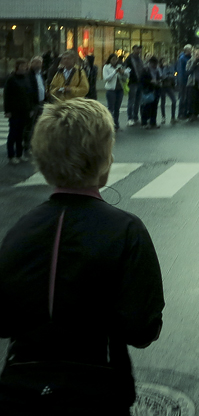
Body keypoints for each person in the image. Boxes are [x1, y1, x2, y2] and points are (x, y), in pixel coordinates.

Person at [0, 98, 164, 415]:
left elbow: (3, 320)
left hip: (19, 391)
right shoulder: (126, 230)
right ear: (105, 161)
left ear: (43, 161)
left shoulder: (20, 230)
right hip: (97, 391)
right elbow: (143, 329)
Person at [4, 59, 35, 165]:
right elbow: (7, 96)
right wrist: (7, 111)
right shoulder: (11, 79)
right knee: (13, 133)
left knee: (21, 134)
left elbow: (30, 94)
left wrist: (30, 109)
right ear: (17, 67)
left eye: (25, 66)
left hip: (25, 110)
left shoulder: (26, 78)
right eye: (21, 66)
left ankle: (19, 154)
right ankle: (11, 155)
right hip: (14, 110)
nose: (24, 68)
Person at [103, 53, 128, 130]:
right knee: (111, 108)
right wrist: (115, 72)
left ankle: (116, 124)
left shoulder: (119, 66)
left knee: (117, 108)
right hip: (111, 90)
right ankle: (109, 124)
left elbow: (126, 76)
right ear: (110, 60)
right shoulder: (106, 67)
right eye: (113, 59)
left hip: (119, 89)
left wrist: (123, 72)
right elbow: (106, 78)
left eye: (116, 59)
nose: (114, 61)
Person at [139, 56, 161, 129]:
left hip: (156, 89)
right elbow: (142, 80)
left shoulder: (157, 70)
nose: (155, 66)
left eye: (156, 64)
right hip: (148, 90)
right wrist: (150, 82)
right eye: (153, 64)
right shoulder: (145, 70)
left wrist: (158, 82)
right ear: (150, 63)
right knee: (146, 107)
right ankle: (144, 122)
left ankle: (153, 122)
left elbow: (160, 77)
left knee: (154, 107)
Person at [125, 45, 143, 126]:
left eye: (139, 49)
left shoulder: (139, 59)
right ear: (133, 49)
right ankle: (130, 118)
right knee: (131, 100)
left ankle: (135, 116)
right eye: (137, 49)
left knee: (137, 100)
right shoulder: (129, 59)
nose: (138, 50)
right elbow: (126, 69)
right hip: (132, 82)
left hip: (139, 82)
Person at [186, 49, 199, 121]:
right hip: (192, 82)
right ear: (193, 55)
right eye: (196, 54)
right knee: (191, 99)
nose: (198, 56)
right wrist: (194, 64)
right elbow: (188, 71)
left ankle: (198, 113)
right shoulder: (190, 61)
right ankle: (192, 114)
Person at [158, 57, 177, 125]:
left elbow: (175, 73)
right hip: (162, 86)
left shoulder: (170, 67)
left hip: (169, 86)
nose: (165, 62)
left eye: (166, 61)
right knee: (163, 102)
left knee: (174, 100)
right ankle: (163, 117)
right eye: (163, 61)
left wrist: (172, 76)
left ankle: (173, 117)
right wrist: (169, 75)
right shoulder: (160, 68)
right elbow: (162, 76)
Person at [176, 45, 192, 120]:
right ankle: (181, 113)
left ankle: (186, 112)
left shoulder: (190, 57)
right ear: (186, 50)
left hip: (188, 80)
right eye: (189, 50)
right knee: (183, 97)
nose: (191, 51)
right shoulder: (182, 58)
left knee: (187, 97)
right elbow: (181, 70)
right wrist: (181, 80)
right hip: (183, 80)